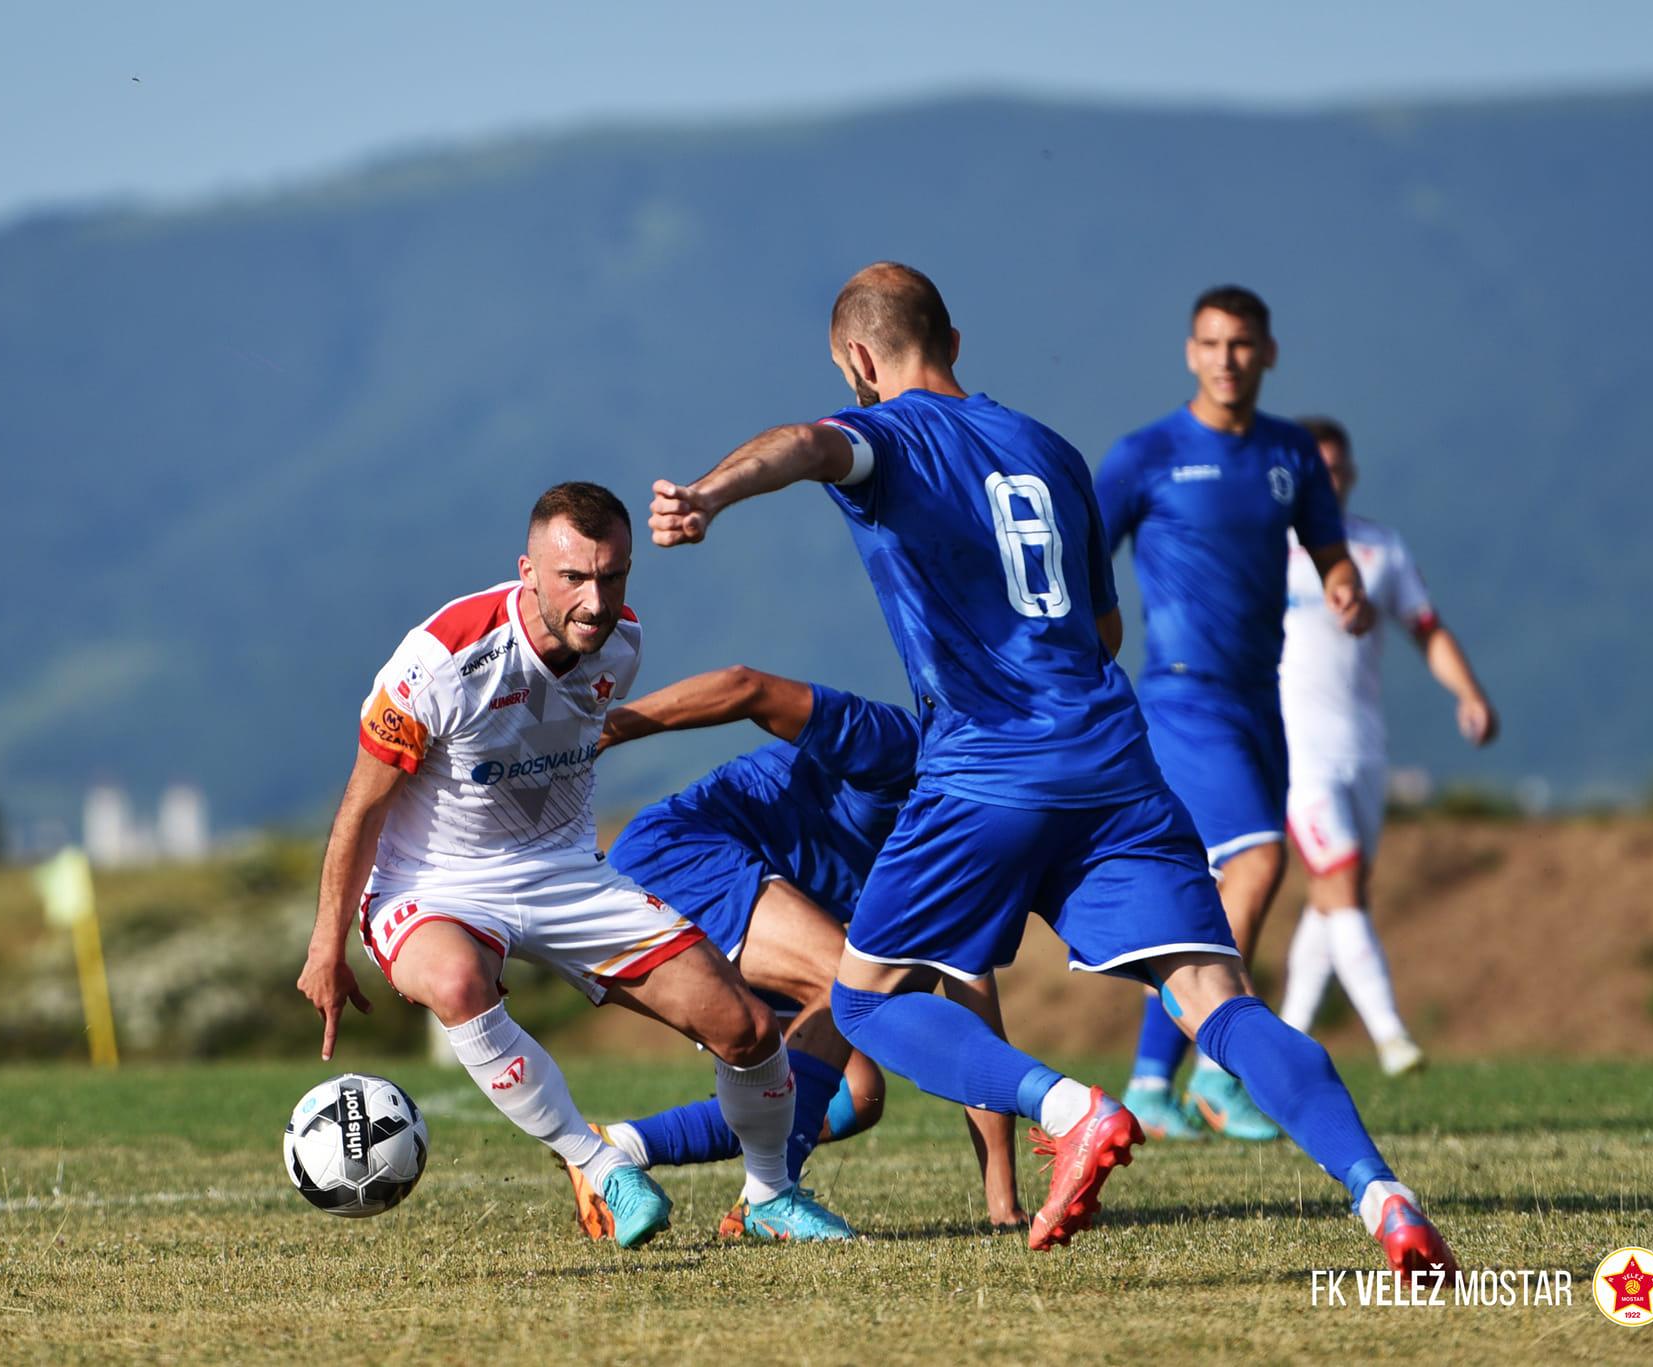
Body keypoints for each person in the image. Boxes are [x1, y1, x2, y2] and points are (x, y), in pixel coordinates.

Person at [646, 261, 1455, 1278]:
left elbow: (808, 445)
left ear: (858, 357)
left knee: (862, 998)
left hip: (985, 763)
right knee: (1213, 991)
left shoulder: (884, 436)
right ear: (953, 335)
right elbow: (1102, 627)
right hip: (1115, 758)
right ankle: (1381, 1194)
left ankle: (1070, 1108)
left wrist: (710, 493)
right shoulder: (1052, 450)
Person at [294, 481, 853, 1247]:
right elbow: (360, 808)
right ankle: (600, 1164)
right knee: (460, 982)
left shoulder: (621, 644)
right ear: (527, 570)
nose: (597, 600)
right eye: (574, 578)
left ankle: (769, 1196)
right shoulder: (441, 663)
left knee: (750, 1028)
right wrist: (327, 945)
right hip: (431, 885)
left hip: (564, 872)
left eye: (613, 576)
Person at [557, 665, 1024, 1240]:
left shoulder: (968, 845)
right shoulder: (899, 745)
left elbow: (975, 1023)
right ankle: (770, 1198)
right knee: (847, 979)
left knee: (857, 1095)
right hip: (679, 856)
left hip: (744, 895)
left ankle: (620, 1148)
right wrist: (608, 727)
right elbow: (746, 686)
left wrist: (1002, 1200)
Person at [1095, 286, 1372, 1143]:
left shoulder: (1290, 452)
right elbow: (1079, 558)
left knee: (1218, 886)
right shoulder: (1146, 454)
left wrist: (1342, 580)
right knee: (1254, 863)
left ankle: (1151, 1080)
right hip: (1181, 695)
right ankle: (1216, 1070)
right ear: (1189, 352)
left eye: (1243, 344)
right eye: (1211, 343)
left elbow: (1328, 547)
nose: (1227, 358)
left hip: (1263, 695)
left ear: (1269, 353)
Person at [1277, 416, 1499, 1075]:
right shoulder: (1264, 546)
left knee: (1334, 895)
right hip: (1296, 752)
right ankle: (1392, 1035)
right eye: (1318, 469)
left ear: (1350, 474)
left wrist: (1470, 693)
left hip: (1364, 751)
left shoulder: (1380, 549)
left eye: (1338, 469)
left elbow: (1426, 627)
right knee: (1341, 880)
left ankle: (1282, 1043)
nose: (1331, 480)